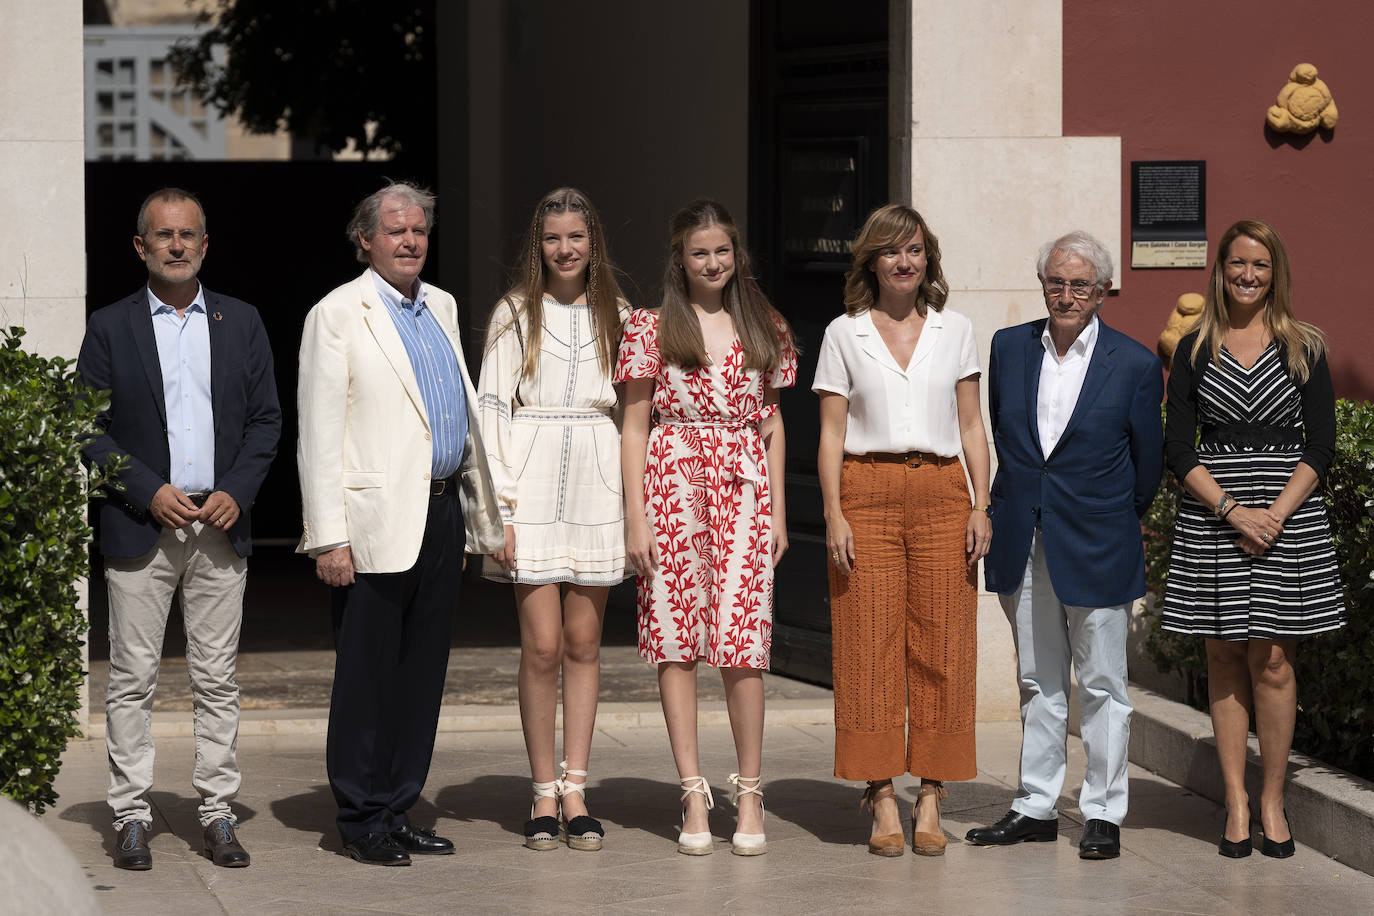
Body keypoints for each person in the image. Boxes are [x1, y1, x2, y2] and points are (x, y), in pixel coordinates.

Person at [297, 182, 504, 866]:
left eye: (419, 229)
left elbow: (456, 418)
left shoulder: (439, 305)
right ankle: (360, 818)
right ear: (366, 239)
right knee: (368, 676)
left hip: (442, 516)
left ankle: (398, 805)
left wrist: (475, 517)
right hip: (372, 523)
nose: (410, 240)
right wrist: (328, 535)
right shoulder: (336, 313)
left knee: (421, 675)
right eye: (395, 230)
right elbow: (319, 434)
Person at [78, 188, 281, 870]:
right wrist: (147, 489)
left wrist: (236, 491)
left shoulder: (242, 321)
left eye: (188, 234)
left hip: (220, 526)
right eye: (163, 235)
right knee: (132, 678)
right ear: (141, 247)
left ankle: (219, 813)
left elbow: (265, 421)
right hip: (142, 526)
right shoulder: (109, 327)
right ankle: (131, 814)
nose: (176, 244)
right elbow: (89, 430)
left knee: (216, 677)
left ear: (203, 244)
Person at [967, 230, 1163, 860]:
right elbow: (1004, 433)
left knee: (1103, 684)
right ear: (1042, 285)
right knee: (1037, 679)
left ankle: (1103, 811)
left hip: (1100, 543)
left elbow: (1147, 466)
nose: (1067, 294)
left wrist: (1106, 517)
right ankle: (1036, 804)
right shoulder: (1010, 348)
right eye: (1057, 282)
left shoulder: (1132, 364)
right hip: (1024, 536)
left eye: (1081, 284)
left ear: (1102, 292)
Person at [616, 199, 796, 856]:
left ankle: (750, 792)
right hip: (670, 483)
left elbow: (773, 424)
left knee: (743, 643)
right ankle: (693, 792)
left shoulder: (763, 323)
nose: (713, 262)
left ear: (735, 254)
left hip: (743, 487)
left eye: (722, 251)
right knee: (677, 642)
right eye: (700, 252)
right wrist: (636, 516)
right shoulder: (650, 326)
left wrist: (775, 508)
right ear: (680, 258)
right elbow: (634, 426)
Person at [1161, 219, 1344, 859]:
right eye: (1238, 263)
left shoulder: (1305, 346)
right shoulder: (1194, 348)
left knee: (1272, 658)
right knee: (1223, 655)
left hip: (1289, 516)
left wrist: (1276, 513)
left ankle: (1272, 798)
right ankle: (1235, 801)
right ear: (1220, 268)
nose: (1247, 275)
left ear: (1276, 273)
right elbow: (1178, 446)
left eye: (1260, 265)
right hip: (1217, 515)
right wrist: (1234, 510)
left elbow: (1321, 442)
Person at [812, 204, 991, 857]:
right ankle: (881, 793)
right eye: (891, 251)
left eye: (914, 250)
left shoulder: (957, 331)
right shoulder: (843, 333)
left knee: (944, 640)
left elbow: (972, 424)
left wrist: (982, 504)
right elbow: (830, 433)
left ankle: (932, 794)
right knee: (867, 641)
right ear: (871, 261)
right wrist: (832, 511)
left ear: (928, 258)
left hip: (945, 492)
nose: (904, 261)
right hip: (868, 490)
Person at [477, 188, 630, 851]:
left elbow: (634, 420)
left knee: (584, 644)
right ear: (536, 246)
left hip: (598, 486)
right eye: (551, 238)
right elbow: (491, 410)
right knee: (541, 646)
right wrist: (499, 510)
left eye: (575, 237)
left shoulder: (620, 315)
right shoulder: (515, 313)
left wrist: (634, 504)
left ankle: (576, 787)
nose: (564, 249)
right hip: (531, 485)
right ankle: (542, 789)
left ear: (593, 242)